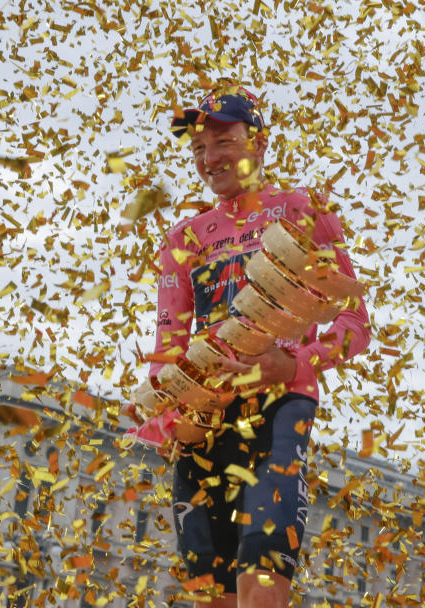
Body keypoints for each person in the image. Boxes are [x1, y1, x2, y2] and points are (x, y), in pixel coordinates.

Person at [130, 85, 370, 608]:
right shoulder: (182, 240)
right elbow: (168, 351)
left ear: (259, 143)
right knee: (207, 584)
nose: (209, 158)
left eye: (223, 141)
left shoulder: (303, 210)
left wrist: (292, 364)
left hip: (279, 408)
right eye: (197, 149)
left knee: (262, 561)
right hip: (205, 423)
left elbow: (354, 323)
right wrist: (174, 415)